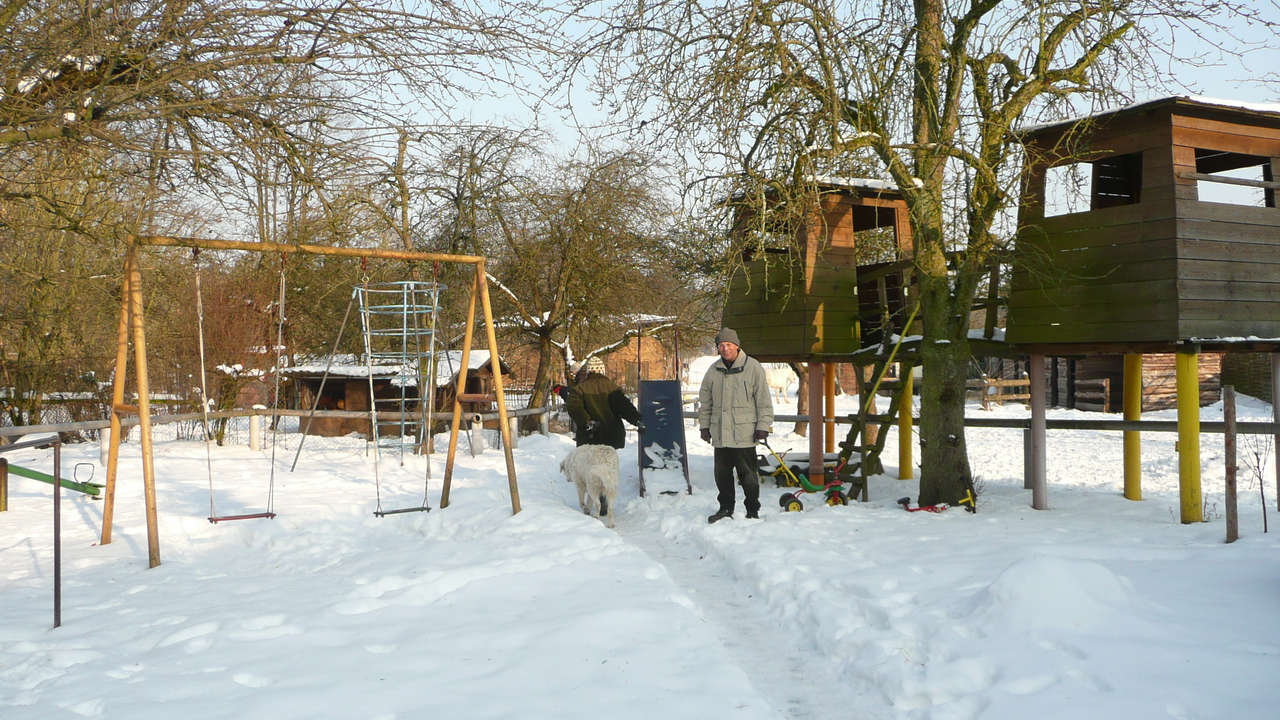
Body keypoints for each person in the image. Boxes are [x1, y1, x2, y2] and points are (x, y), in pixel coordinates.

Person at [697, 327, 773, 523]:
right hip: (720, 435)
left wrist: (763, 425)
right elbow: (705, 402)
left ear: (737, 346)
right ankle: (725, 508)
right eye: (721, 345)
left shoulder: (753, 367)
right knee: (722, 476)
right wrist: (704, 426)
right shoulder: (713, 370)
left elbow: (764, 401)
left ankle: (752, 510)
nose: (724, 348)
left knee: (748, 476)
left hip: (745, 434)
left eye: (728, 344)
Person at [554, 357, 645, 516]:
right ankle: (604, 494)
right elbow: (624, 407)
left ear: (588, 371)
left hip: (590, 436)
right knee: (606, 466)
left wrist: (587, 422)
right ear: (602, 371)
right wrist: (637, 420)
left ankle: (596, 496)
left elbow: (573, 406)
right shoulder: (612, 388)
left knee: (590, 468)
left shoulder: (580, 389)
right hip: (611, 435)